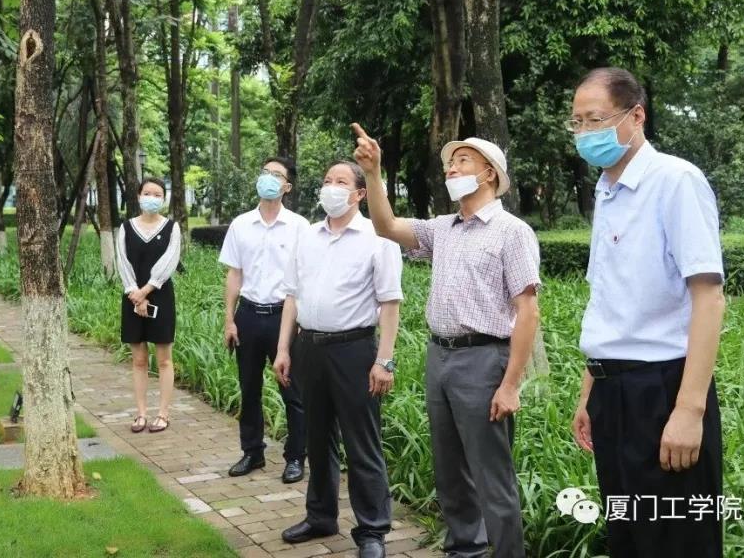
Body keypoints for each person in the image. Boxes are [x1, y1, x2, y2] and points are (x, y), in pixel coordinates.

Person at [352, 124, 541, 558]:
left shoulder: (512, 231)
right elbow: (386, 226)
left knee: (491, 475)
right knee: (450, 470)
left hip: (484, 360)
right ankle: (464, 550)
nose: (451, 169)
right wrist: (374, 173)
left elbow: (528, 312)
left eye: (462, 161)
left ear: (489, 173)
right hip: (440, 355)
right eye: (450, 163)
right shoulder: (444, 228)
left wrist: (510, 385)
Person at [569, 68, 725, 557]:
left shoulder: (675, 181)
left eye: (596, 119)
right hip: (612, 393)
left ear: (636, 116)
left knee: (677, 541)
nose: (584, 132)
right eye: (577, 122)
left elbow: (709, 298)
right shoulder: (606, 189)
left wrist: (689, 410)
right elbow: (609, 299)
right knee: (630, 538)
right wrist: (590, 391)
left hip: (663, 391)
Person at [273, 161, 403, 558]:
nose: (331, 186)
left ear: (360, 193)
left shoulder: (378, 238)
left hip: (354, 350)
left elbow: (390, 303)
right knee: (317, 437)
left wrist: (384, 361)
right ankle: (320, 516)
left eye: (341, 181)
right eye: (328, 180)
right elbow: (291, 296)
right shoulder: (308, 236)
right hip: (309, 348)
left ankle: (372, 531)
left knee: (362, 442)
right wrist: (283, 348)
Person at [219, 156, 309, 483]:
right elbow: (234, 274)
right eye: (265, 172)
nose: (268, 178)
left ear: (287, 187)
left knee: (293, 391)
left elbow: (306, 276)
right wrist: (230, 319)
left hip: (284, 317)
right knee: (249, 388)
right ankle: (252, 452)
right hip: (248, 314)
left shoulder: (300, 227)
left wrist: (301, 321)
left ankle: (295, 457)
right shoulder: (241, 224)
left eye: (276, 175)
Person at [116, 177, 183, 434]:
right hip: (131, 297)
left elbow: (169, 261)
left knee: (164, 360)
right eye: (147, 193)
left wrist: (146, 291)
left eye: (157, 194)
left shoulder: (172, 228)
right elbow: (122, 261)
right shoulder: (126, 228)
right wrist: (135, 293)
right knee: (139, 360)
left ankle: (163, 414)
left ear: (163, 199)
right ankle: (141, 413)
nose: (151, 198)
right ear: (138, 196)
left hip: (161, 296)